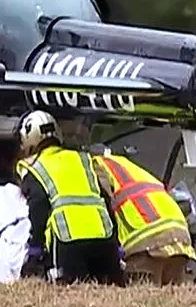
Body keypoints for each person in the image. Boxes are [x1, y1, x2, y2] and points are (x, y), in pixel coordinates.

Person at [14, 110, 125, 286]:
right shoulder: (84, 159)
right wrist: (116, 244)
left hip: (68, 242)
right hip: (104, 239)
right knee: (112, 294)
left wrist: (35, 249)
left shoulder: (34, 168)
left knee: (70, 295)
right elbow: (104, 199)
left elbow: (38, 207)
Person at [89, 144, 196, 286]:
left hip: (147, 241)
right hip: (180, 235)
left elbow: (103, 204)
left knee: (142, 301)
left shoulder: (95, 166)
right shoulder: (126, 165)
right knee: (174, 301)